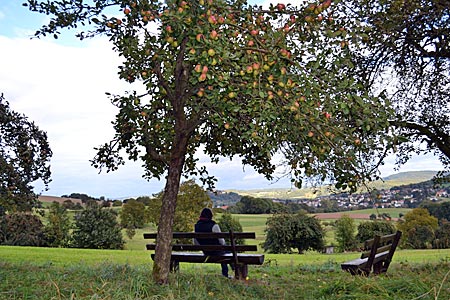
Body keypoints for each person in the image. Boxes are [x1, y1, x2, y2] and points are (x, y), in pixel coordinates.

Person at [194, 207, 232, 278]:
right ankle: (228, 273)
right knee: (228, 250)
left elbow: (195, 242)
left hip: (205, 252)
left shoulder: (196, 226)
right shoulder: (214, 225)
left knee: (225, 251)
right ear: (211, 216)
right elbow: (221, 241)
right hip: (216, 251)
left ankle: (230, 271)